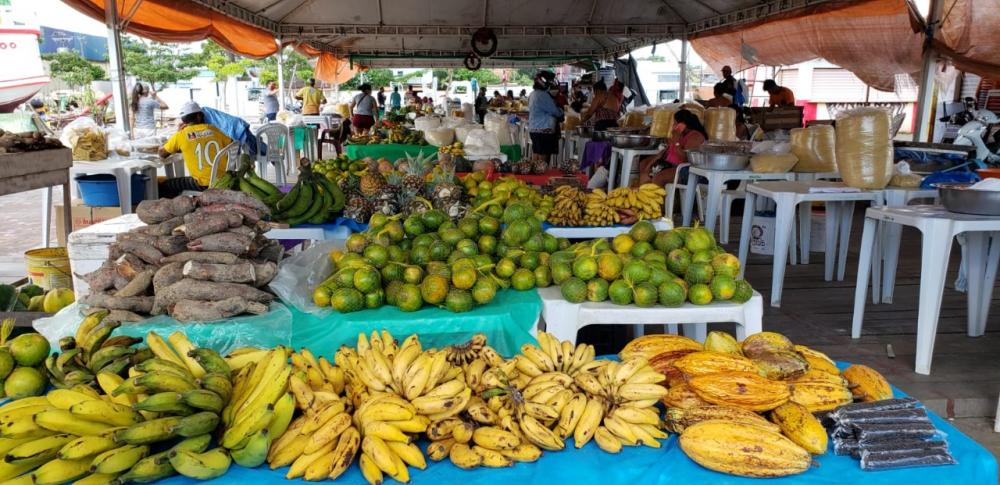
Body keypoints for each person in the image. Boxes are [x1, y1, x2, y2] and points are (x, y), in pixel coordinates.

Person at [158, 102, 233, 197]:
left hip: (203, 184)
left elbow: (162, 154)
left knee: (164, 186)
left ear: (184, 120)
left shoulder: (181, 135)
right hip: (224, 179)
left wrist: (178, 133)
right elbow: (231, 143)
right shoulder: (215, 130)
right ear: (199, 116)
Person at [638, 109, 707, 187]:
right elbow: (664, 153)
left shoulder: (695, 136)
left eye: (675, 123)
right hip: (671, 164)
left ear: (682, 125)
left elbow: (686, 158)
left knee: (659, 178)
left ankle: (656, 198)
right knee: (643, 165)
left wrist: (676, 142)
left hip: (686, 169)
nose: (673, 126)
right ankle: (645, 195)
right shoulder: (679, 135)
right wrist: (647, 167)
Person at [527, 71, 563, 167]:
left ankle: (535, 175)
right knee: (543, 156)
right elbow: (555, 111)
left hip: (534, 129)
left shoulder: (533, 94)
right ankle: (541, 175)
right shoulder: (543, 95)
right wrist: (561, 110)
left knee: (536, 153)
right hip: (544, 130)